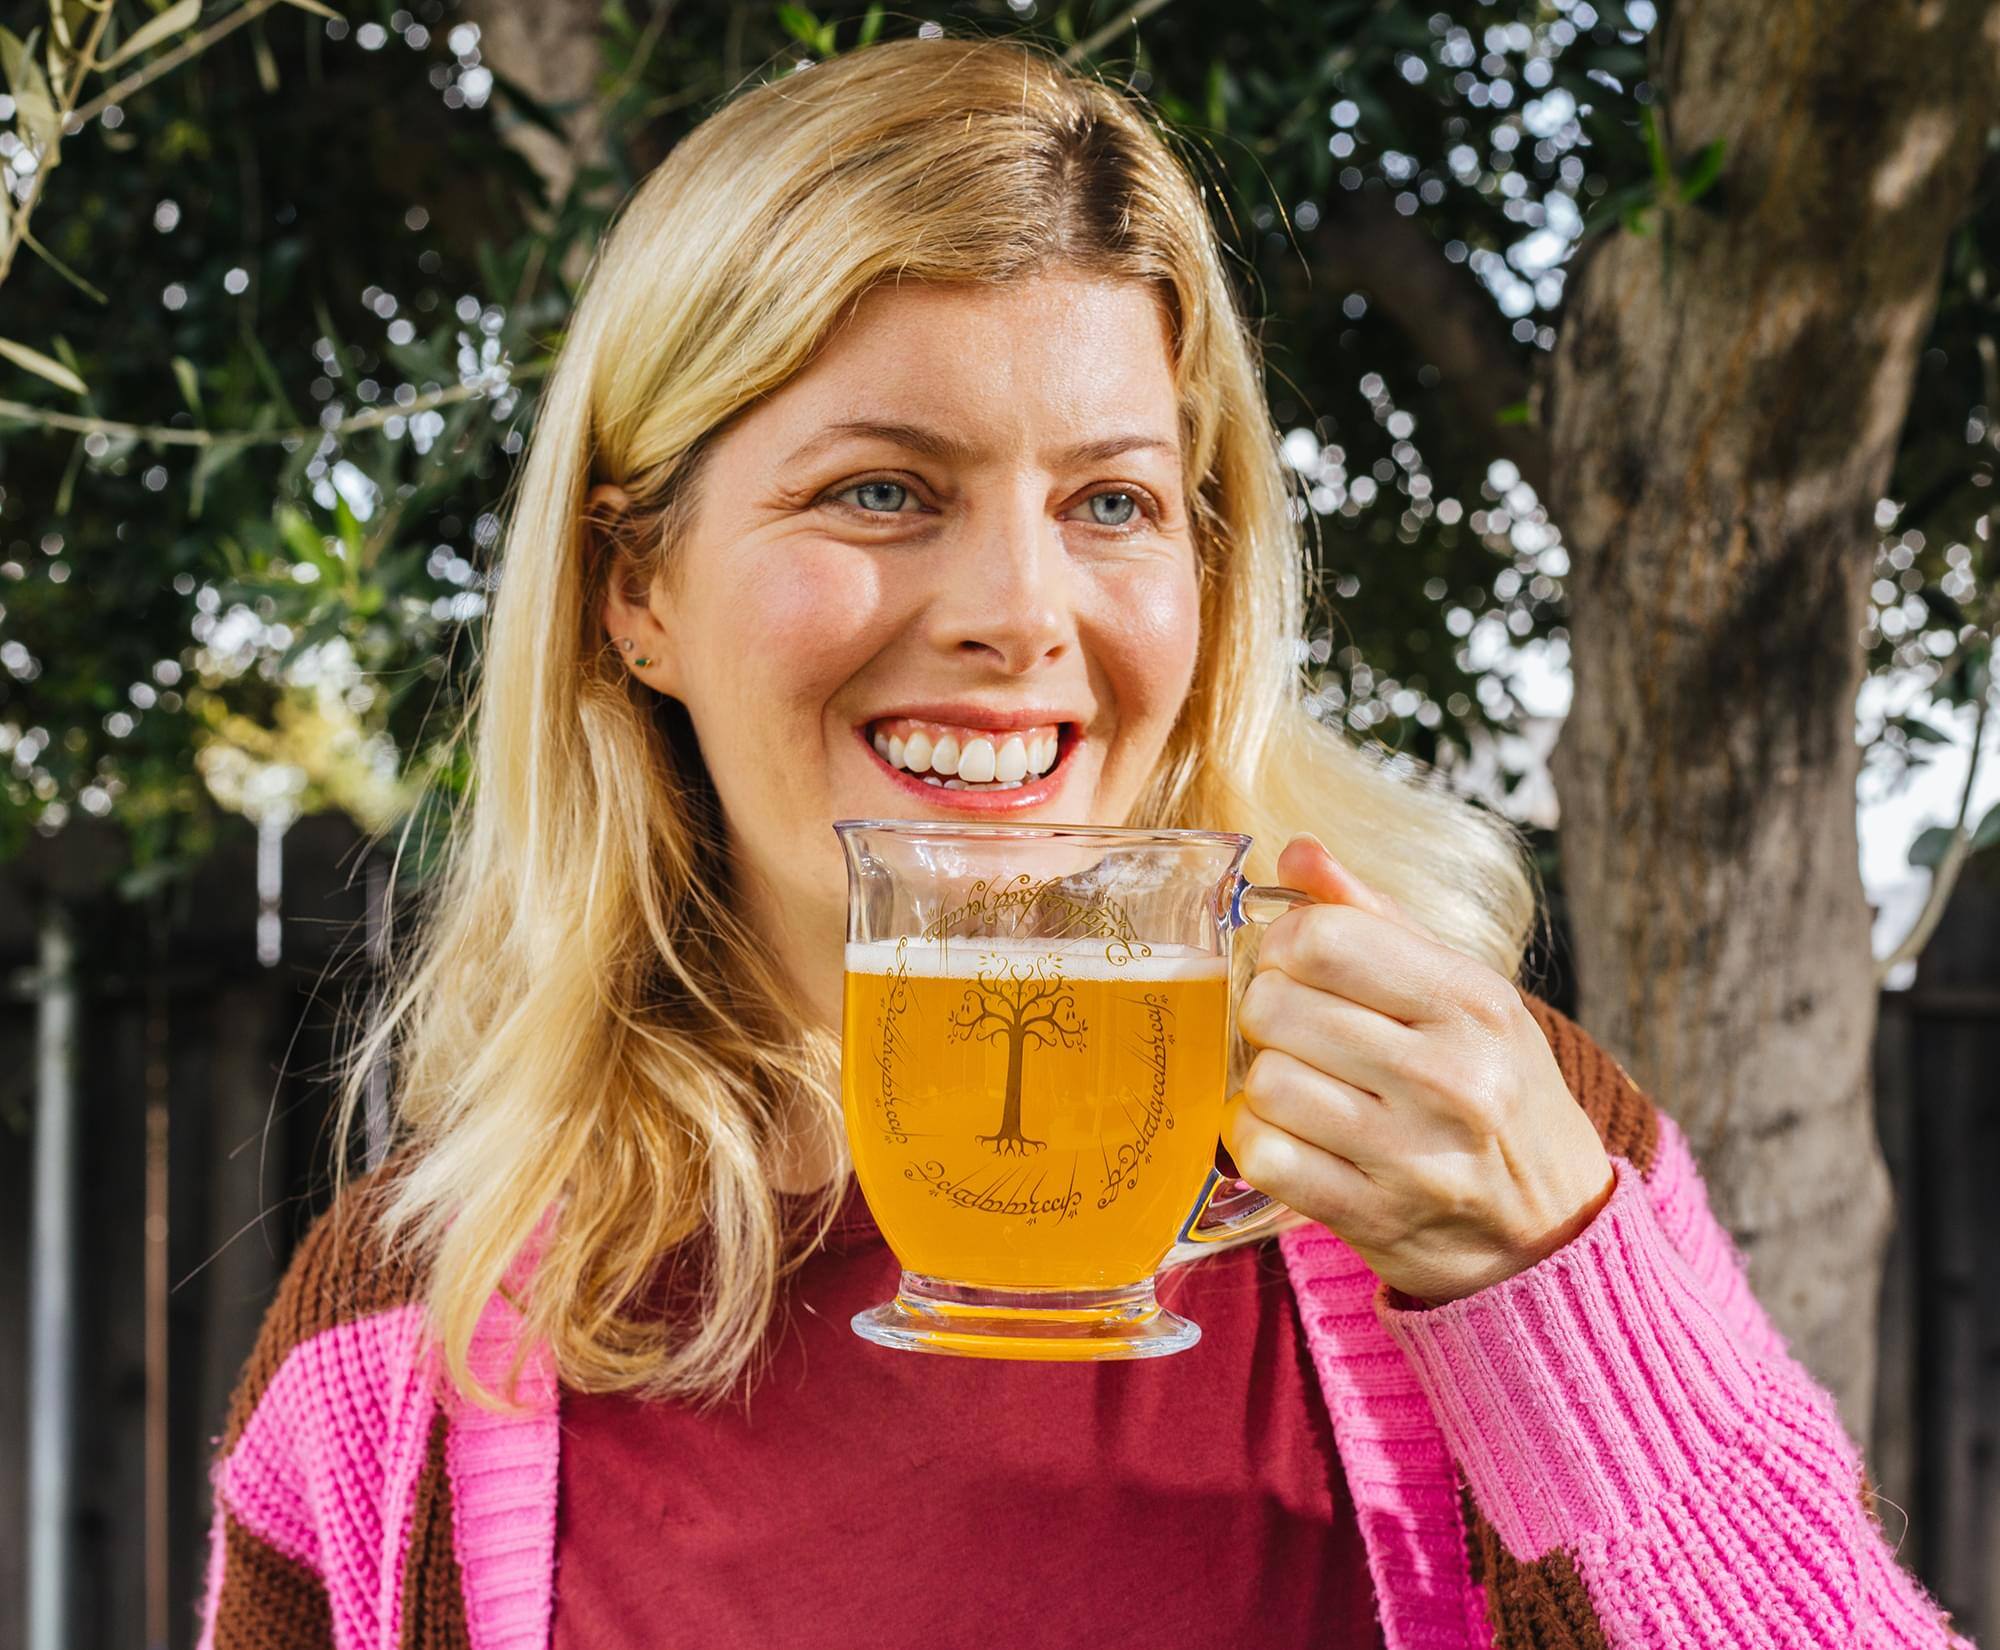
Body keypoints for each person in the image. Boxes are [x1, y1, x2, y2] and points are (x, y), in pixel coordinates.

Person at [195, 32, 1973, 1650]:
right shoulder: (398, 1341)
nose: (1022, 611)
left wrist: (1555, 1306)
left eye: (1112, 501)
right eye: (881, 489)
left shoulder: (1487, 1153)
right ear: (632, 589)